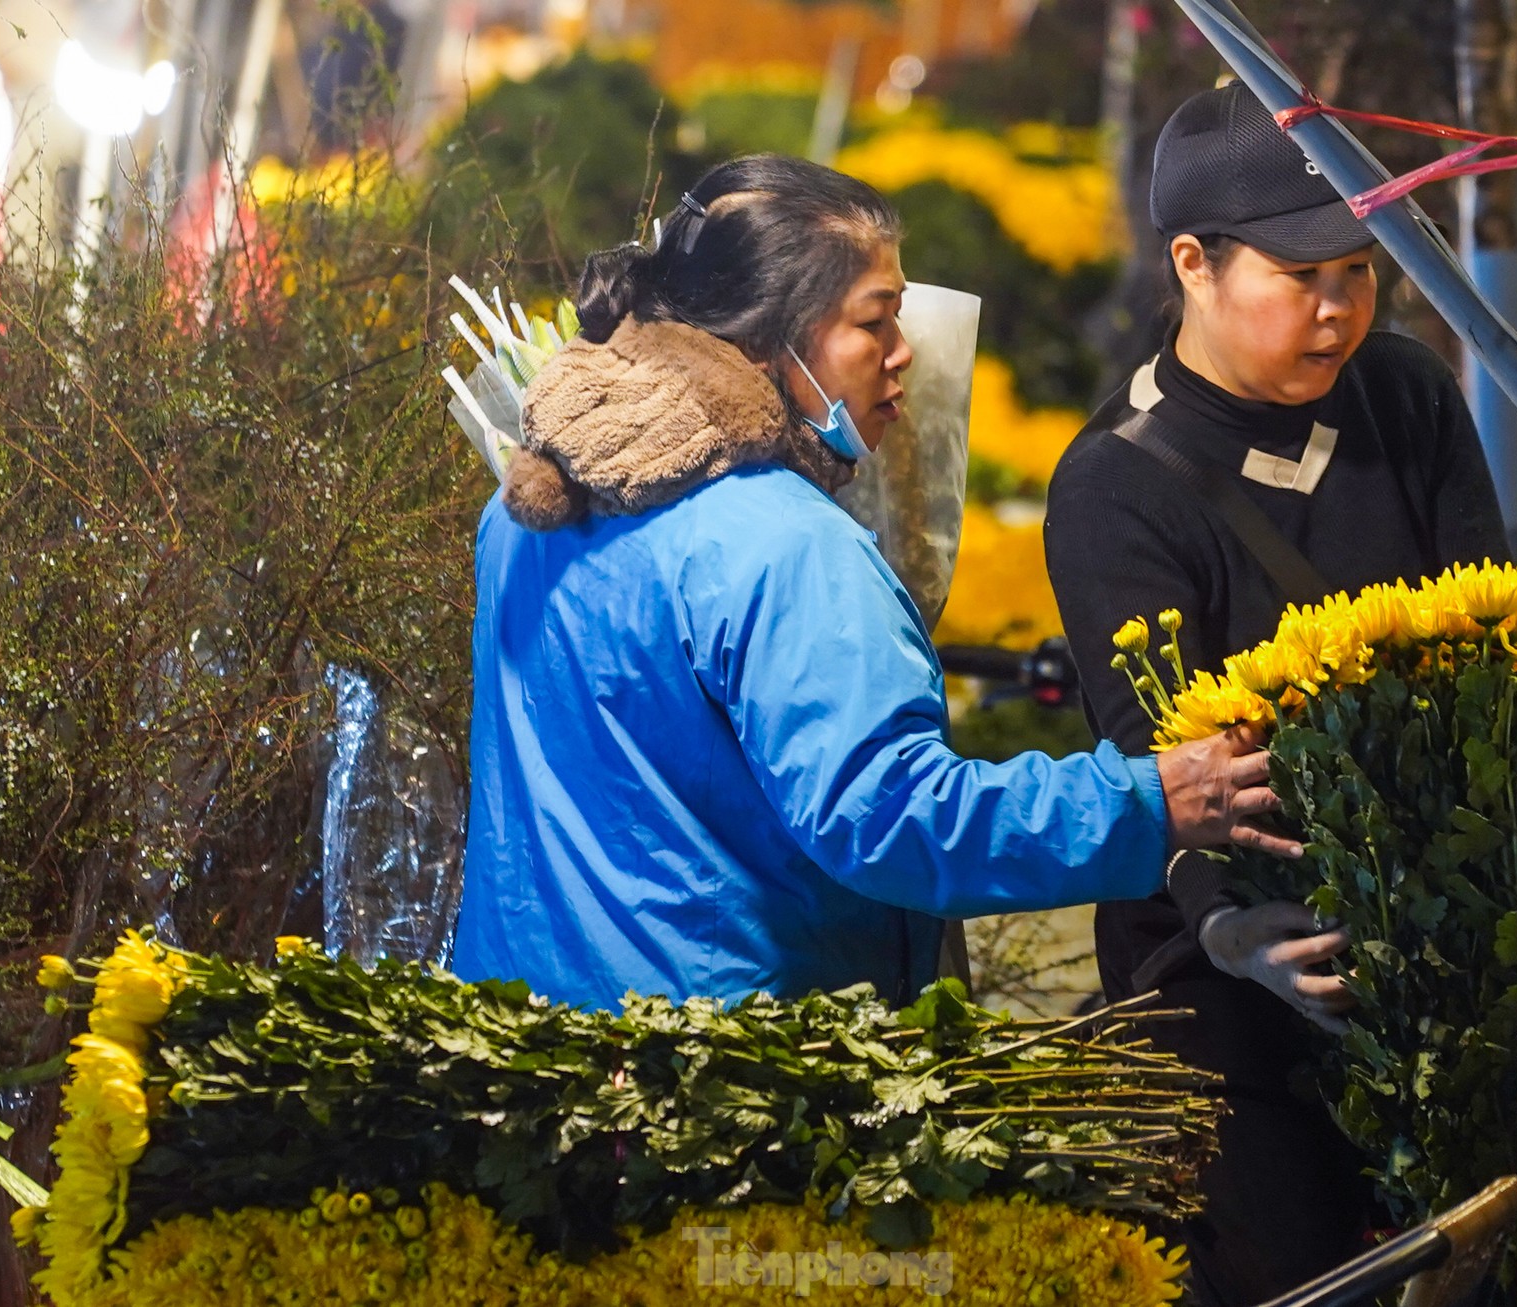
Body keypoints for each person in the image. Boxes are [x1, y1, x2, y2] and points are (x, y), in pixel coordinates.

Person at [451, 154, 1298, 1012]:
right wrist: (1149, 803)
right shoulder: (786, 545)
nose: (905, 356)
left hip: (531, 1044)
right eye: (876, 321)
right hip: (707, 1071)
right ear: (769, 333)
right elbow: (892, 817)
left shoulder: (525, 508)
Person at [1043, 84, 1511, 1307]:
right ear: (1192, 263)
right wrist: (1228, 924)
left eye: (1362, 271)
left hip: (1433, 952)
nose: (1339, 308)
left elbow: (1482, 637)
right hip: (1231, 994)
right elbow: (1160, 749)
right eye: (1302, 274)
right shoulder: (1115, 485)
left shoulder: (1403, 396)